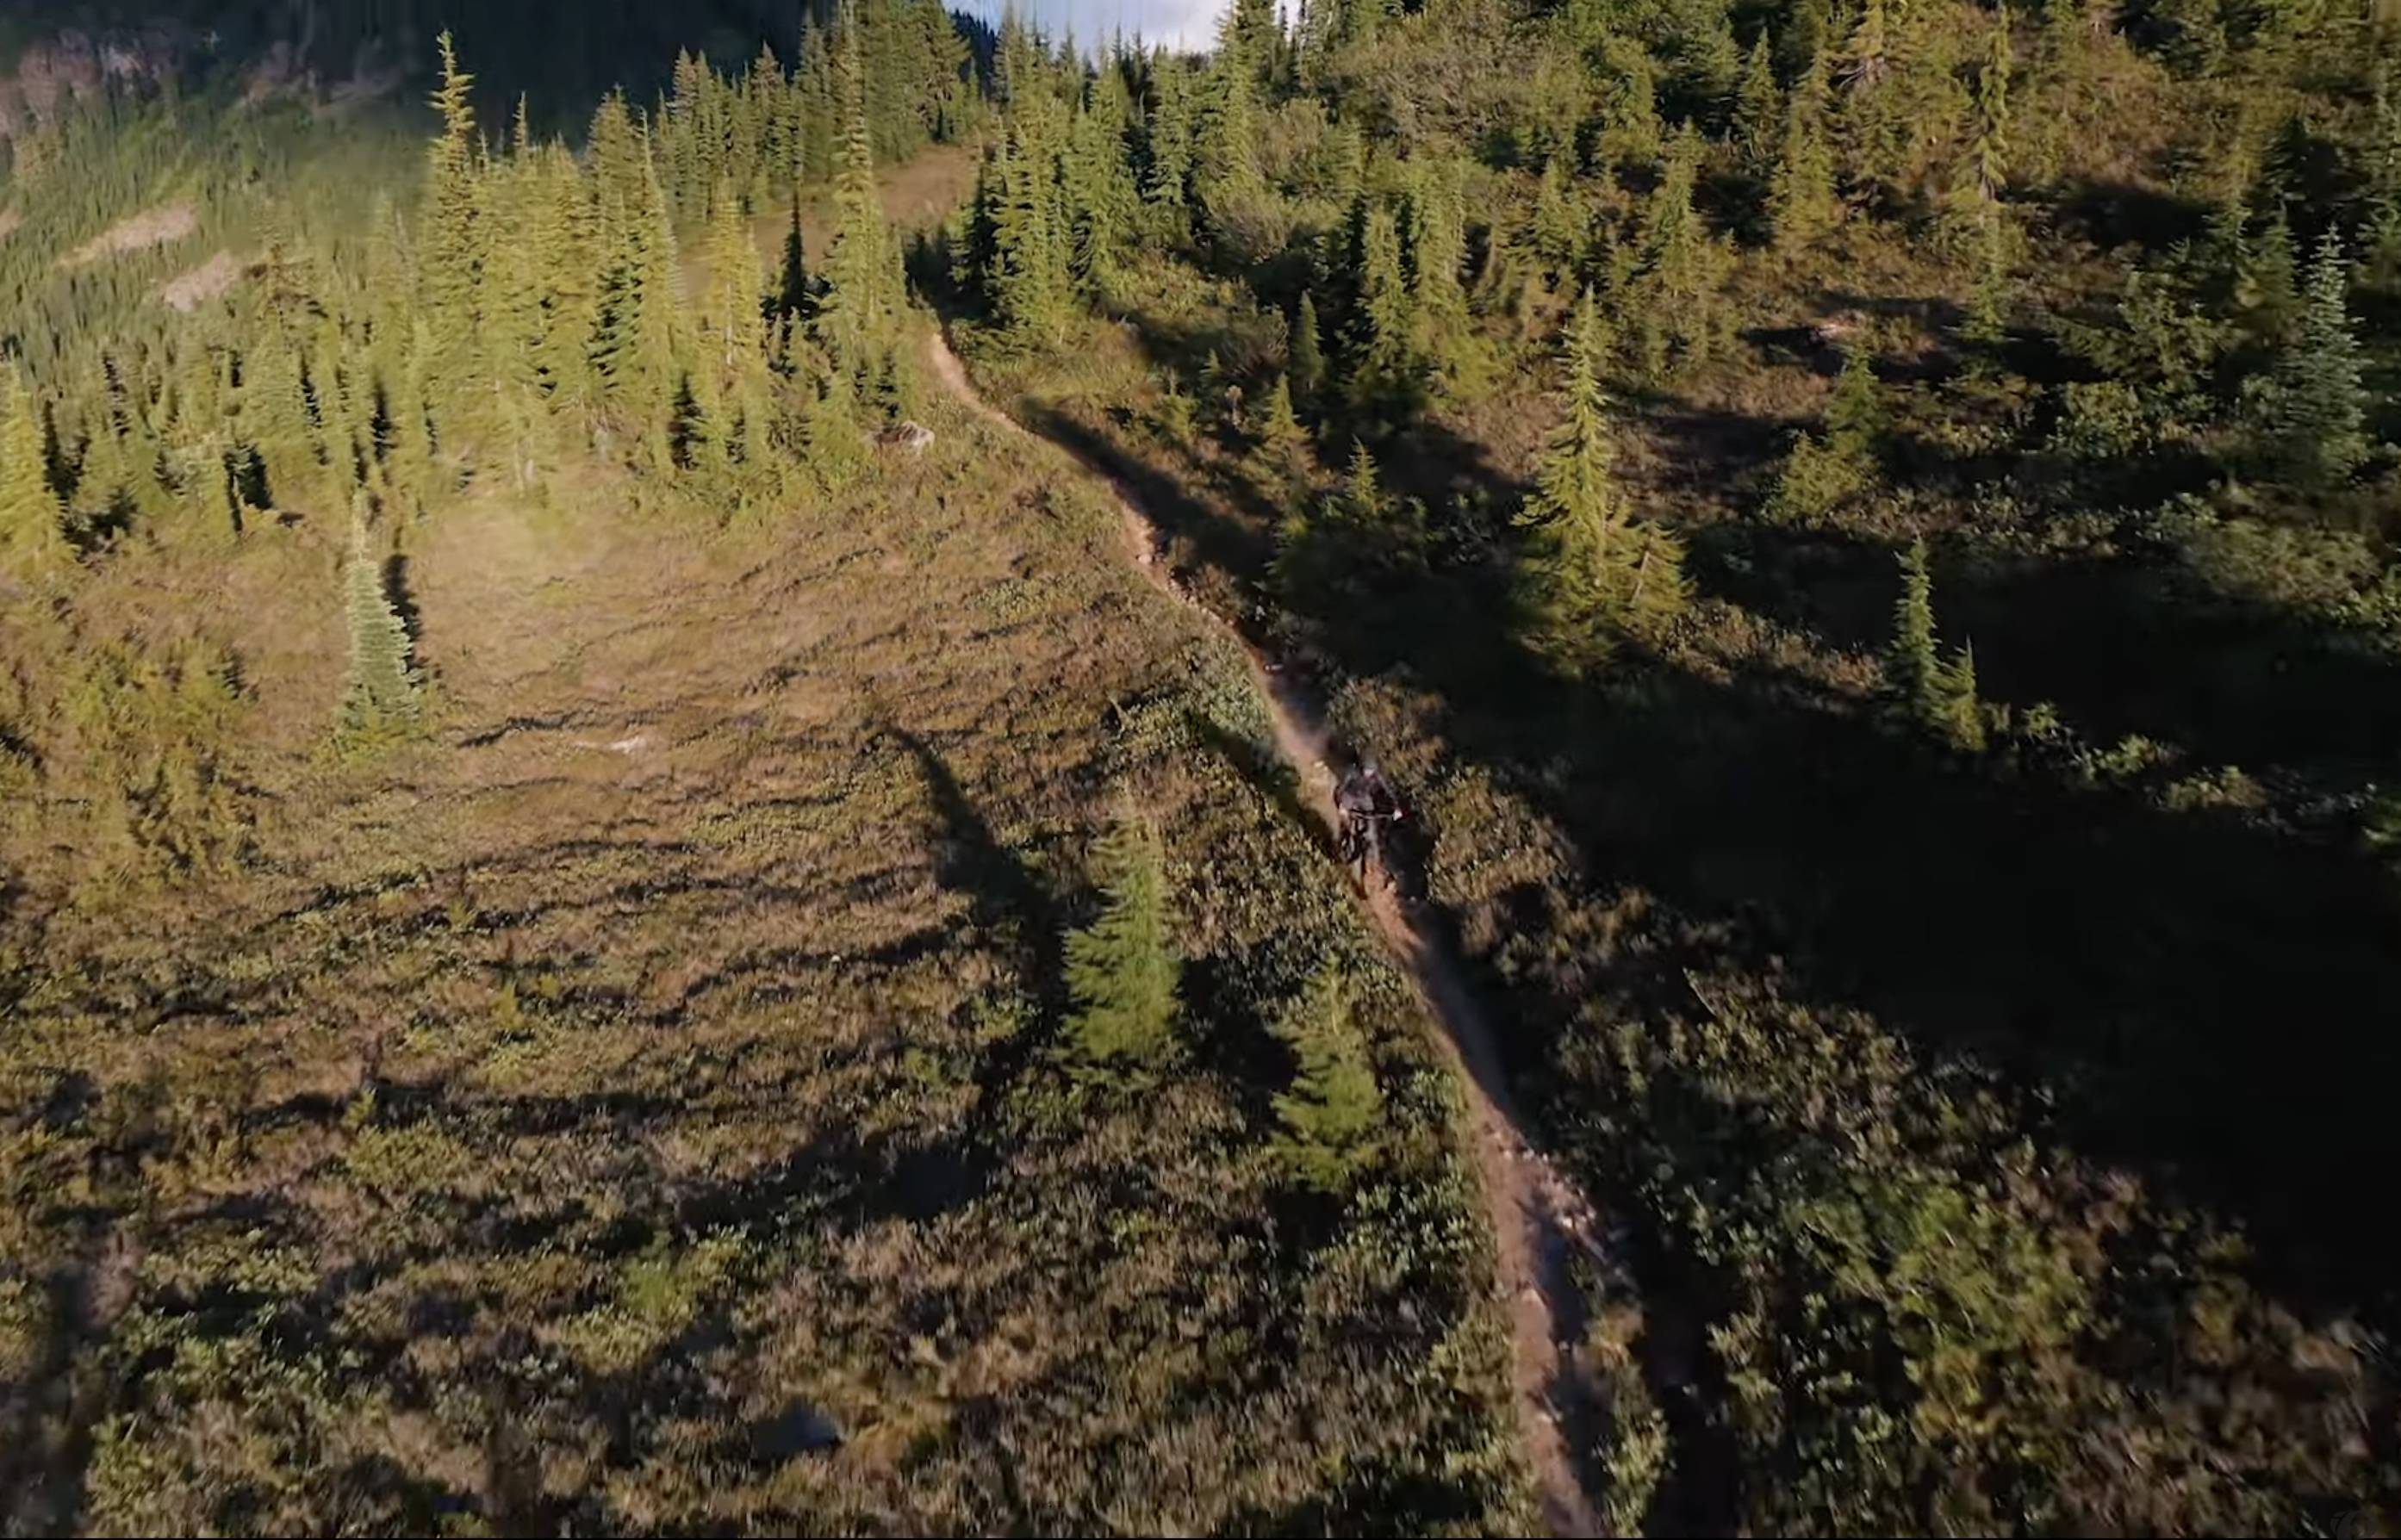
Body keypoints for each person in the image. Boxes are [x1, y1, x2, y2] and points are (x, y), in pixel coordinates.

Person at [1333, 758, 1403, 885]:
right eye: (1366, 771)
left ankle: (1373, 863)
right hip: (1350, 797)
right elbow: (1340, 789)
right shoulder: (1352, 773)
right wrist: (1341, 805)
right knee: (1347, 821)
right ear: (1362, 769)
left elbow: (1388, 791)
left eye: (1371, 772)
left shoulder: (1377, 777)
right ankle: (1344, 838)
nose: (1368, 774)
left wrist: (1396, 808)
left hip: (1365, 801)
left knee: (1372, 831)